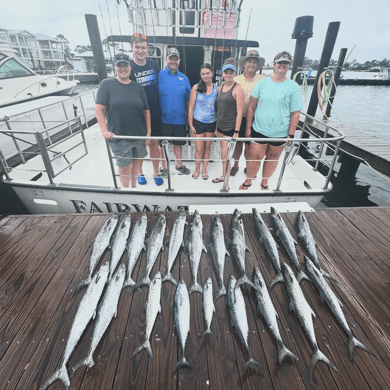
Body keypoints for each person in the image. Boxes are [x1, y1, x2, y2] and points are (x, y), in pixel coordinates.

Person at [239, 51, 302, 191]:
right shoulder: (263, 82)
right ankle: (249, 180)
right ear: (274, 65)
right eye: (280, 62)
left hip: (280, 131)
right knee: (254, 157)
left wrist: (290, 135)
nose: (282, 65)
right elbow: (251, 106)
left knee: (272, 158)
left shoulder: (294, 87)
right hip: (259, 129)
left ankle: (265, 182)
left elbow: (295, 113)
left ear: (288, 66)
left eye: (285, 63)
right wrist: (248, 128)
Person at [96, 53, 151, 188]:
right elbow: (99, 110)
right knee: (125, 166)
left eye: (125, 65)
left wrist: (148, 133)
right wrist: (104, 130)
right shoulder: (106, 84)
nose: (122, 68)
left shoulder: (137, 87)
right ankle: (125, 191)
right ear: (115, 67)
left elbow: (146, 112)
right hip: (119, 135)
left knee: (137, 163)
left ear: (130, 67)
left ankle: (133, 187)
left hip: (139, 134)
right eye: (119, 65)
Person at [130, 32, 164, 186]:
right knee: (139, 146)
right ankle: (140, 173)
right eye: (137, 47)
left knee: (154, 144)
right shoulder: (128, 68)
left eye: (143, 47)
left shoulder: (153, 65)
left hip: (155, 113)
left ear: (148, 49)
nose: (140, 50)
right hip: (137, 115)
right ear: (132, 47)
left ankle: (156, 172)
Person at [230, 50, 265, 177]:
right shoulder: (235, 79)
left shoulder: (263, 80)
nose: (251, 64)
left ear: (257, 65)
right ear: (244, 64)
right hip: (239, 117)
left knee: (251, 144)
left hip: (256, 118)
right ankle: (236, 164)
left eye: (254, 62)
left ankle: (248, 166)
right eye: (249, 61)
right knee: (238, 142)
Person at [158, 47, 191, 175]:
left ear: (179, 61)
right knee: (162, 144)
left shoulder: (184, 78)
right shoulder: (159, 75)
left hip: (180, 119)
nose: (173, 61)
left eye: (175, 59)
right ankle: (163, 167)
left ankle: (179, 164)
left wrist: (189, 117)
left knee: (178, 143)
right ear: (166, 59)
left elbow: (188, 99)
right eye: (170, 58)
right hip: (163, 118)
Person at [212, 58, 244, 190]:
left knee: (226, 156)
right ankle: (223, 175)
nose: (228, 75)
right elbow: (218, 110)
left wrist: (236, 132)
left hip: (230, 129)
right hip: (220, 127)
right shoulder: (220, 88)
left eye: (231, 72)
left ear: (235, 73)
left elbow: (239, 112)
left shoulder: (238, 89)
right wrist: (215, 127)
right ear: (222, 73)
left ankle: (227, 183)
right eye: (226, 72)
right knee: (223, 155)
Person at [187, 63, 217, 180]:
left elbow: (218, 109)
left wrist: (217, 125)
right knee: (199, 149)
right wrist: (191, 124)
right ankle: (197, 169)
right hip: (198, 122)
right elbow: (190, 107)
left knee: (207, 148)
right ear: (200, 75)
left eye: (207, 73)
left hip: (211, 123)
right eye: (203, 74)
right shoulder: (196, 88)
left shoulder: (216, 88)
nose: (205, 76)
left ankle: (204, 170)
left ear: (212, 73)